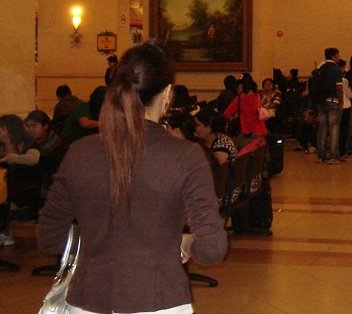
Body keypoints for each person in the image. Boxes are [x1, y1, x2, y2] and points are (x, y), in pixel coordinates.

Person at [38, 40, 228, 314]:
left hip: (88, 299)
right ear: (167, 93)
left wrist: (100, 240)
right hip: (159, 299)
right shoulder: (186, 156)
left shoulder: (79, 152)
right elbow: (212, 248)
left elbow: (50, 238)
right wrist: (184, 241)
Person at [0, 114, 41, 247]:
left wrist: (8, 158)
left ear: (10, 129)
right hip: (1, 188)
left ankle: (4, 232)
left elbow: (33, 159)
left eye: (0, 127)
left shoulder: (27, 145)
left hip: (22, 189)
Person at [314, 48, 344, 164]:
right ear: (334, 56)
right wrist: (341, 101)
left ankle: (321, 156)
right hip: (332, 100)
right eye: (338, 54)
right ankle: (333, 156)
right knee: (334, 128)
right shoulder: (335, 69)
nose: (339, 57)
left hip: (321, 101)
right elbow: (339, 87)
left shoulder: (321, 68)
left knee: (322, 128)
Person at [223, 73, 267, 148]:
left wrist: (234, 118)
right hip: (260, 132)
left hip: (246, 134)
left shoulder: (239, 99)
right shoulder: (258, 96)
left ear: (241, 86)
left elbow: (226, 114)